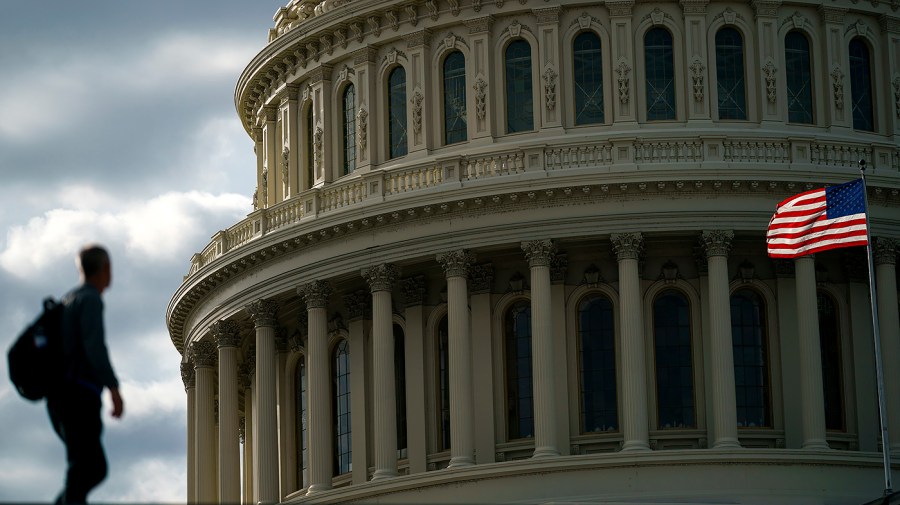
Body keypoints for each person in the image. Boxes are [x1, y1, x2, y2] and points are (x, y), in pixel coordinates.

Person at [46, 244, 124, 504]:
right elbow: (95, 346)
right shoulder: (90, 299)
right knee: (87, 468)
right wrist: (113, 388)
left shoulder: (69, 298)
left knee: (87, 467)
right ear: (105, 269)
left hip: (60, 397)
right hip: (79, 395)